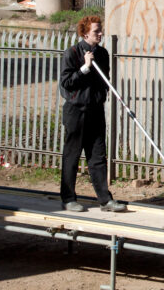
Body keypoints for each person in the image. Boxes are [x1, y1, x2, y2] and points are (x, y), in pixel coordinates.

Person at [59, 14, 126, 212]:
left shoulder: (103, 54)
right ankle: (68, 198)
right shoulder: (72, 53)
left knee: (98, 156)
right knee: (72, 155)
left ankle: (105, 200)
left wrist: (103, 94)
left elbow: (105, 80)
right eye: (96, 31)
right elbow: (67, 83)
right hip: (76, 111)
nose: (100, 34)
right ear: (85, 32)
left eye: (100, 30)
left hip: (95, 110)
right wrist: (85, 68)